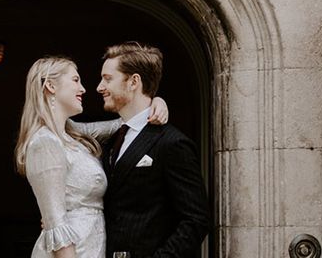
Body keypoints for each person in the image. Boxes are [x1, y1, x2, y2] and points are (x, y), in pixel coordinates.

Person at [15, 55, 169, 258]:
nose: (83, 89)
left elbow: (127, 122)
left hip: (91, 246)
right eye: (75, 80)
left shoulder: (73, 135)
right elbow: (56, 223)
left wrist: (155, 102)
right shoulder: (45, 142)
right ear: (51, 86)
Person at [98, 42, 209, 258]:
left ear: (134, 81)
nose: (100, 87)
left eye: (107, 79)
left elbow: (196, 220)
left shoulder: (172, 143)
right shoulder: (110, 141)